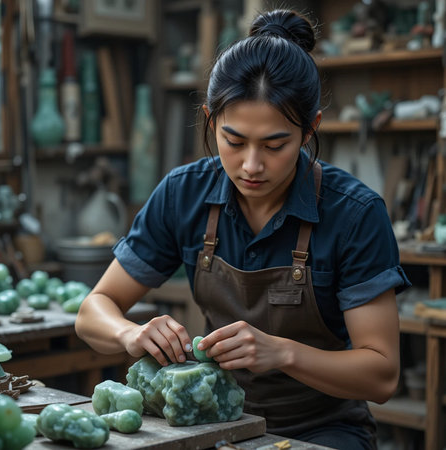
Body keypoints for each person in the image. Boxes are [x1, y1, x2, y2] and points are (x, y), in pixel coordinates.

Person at [75, 8, 411, 450]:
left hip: (322, 429)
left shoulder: (354, 214)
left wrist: (282, 352)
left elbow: (382, 375)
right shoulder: (184, 194)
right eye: (234, 141)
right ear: (210, 119)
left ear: (310, 130)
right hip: (212, 419)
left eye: (276, 145)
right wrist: (130, 333)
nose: (252, 166)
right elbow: (93, 310)